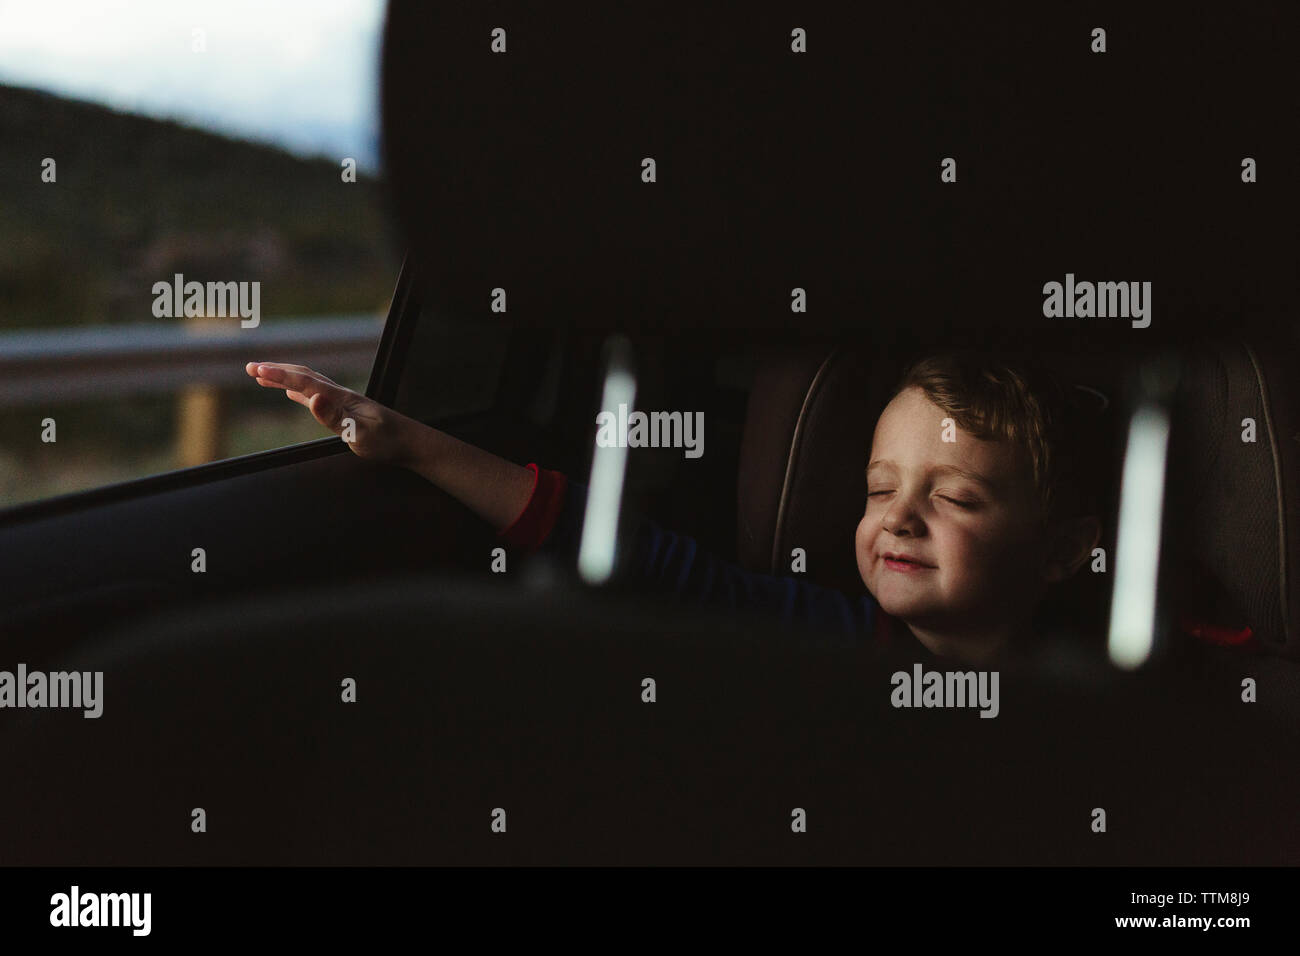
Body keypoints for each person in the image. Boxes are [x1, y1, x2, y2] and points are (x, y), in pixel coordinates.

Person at [244, 350, 1105, 665]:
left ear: (1064, 550)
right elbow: (635, 557)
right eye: (880, 489)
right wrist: (411, 442)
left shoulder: (1126, 683)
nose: (899, 517)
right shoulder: (825, 640)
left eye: (955, 497)